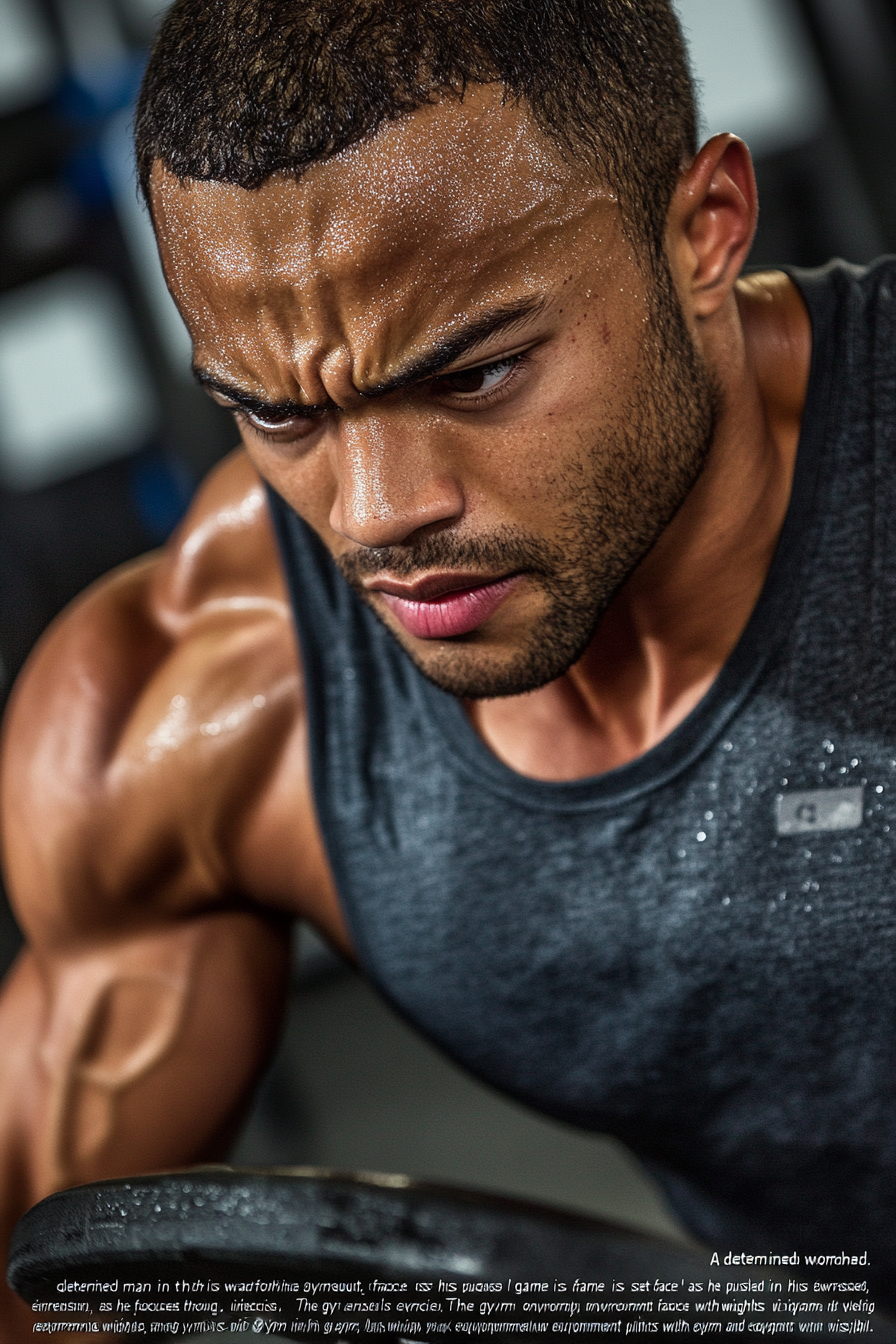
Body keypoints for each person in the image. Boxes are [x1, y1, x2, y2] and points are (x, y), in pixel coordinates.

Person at [1, 0, 893, 1332]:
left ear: (705, 228)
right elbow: (38, 1267)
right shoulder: (195, 705)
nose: (375, 513)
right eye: (276, 411)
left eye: (475, 375)